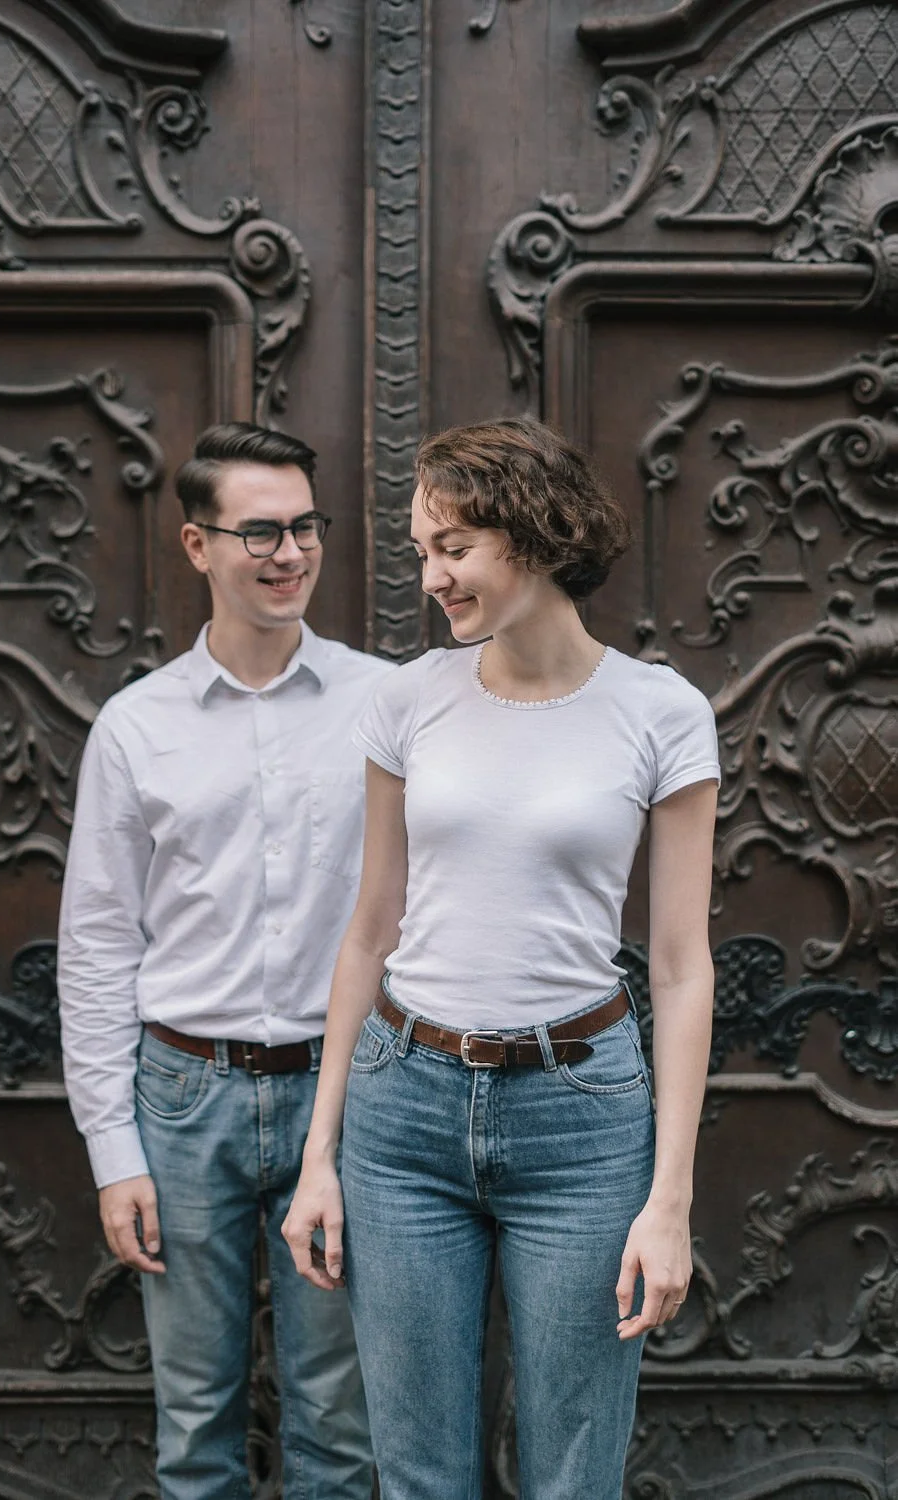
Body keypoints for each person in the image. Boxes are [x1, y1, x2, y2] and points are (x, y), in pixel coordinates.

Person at [282, 417, 720, 1500]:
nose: (432, 577)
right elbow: (369, 929)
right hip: (404, 1109)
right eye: (423, 551)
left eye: (454, 548)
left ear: (536, 532)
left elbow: (680, 966)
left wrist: (669, 1199)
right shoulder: (408, 699)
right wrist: (320, 1154)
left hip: (582, 1118)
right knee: (418, 1471)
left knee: (574, 1469)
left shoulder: (661, 712)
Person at [58, 422, 388, 1500]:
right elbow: (98, 943)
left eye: (304, 527)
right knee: (195, 1419)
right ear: (198, 545)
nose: (289, 553)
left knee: (338, 1419)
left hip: (342, 1092)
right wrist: (114, 1149)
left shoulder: (385, 705)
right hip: (182, 1097)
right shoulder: (135, 726)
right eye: (260, 532)